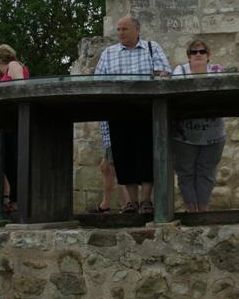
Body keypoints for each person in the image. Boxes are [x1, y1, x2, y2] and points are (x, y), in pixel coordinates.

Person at [94, 15, 170, 214]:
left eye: (124, 29)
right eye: (118, 29)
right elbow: (97, 83)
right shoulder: (108, 54)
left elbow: (165, 74)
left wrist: (161, 75)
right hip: (119, 113)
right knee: (124, 158)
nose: (120, 33)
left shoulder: (152, 48)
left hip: (146, 112)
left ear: (137, 30)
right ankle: (132, 202)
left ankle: (146, 201)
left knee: (146, 156)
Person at [171, 39, 225, 212]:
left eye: (202, 52)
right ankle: (191, 209)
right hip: (185, 135)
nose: (198, 55)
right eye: (194, 52)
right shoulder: (180, 71)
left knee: (207, 174)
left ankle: (203, 209)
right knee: (185, 173)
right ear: (188, 56)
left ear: (208, 56)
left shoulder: (217, 71)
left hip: (213, 134)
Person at [0, 44, 29, 214]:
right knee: (9, 161)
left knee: (14, 161)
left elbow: (20, 86)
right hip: (11, 120)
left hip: (15, 120)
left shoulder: (13, 66)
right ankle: (14, 199)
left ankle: (18, 201)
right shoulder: (10, 70)